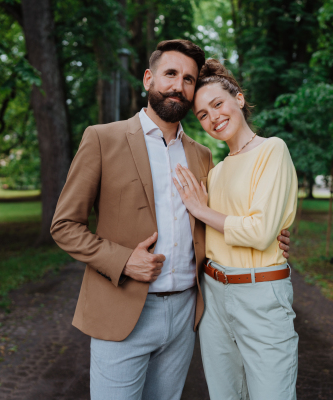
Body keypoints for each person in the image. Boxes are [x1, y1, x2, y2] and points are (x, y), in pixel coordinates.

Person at [50, 40, 291, 400]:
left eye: (189, 79)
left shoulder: (204, 156)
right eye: (171, 74)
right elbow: (64, 226)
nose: (179, 85)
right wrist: (123, 259)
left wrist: (274, 236)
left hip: (184, 314)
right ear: (149, 78)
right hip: (123, 308)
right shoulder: (102, 138)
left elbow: (224, 218)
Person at [172, 59, 299, 400]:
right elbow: (218, 232)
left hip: (260, 295)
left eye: (218, 104)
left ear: (238, 100)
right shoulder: (216, 171)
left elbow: (259, 232)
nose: (213, 118)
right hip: (214, 296)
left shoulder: (272, 150)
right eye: (202, 114)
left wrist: (202, 209)